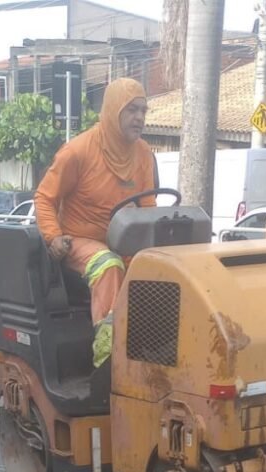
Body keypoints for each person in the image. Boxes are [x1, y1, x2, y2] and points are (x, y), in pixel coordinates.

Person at [34, 77, 155, 368]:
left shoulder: (144, 154)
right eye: (131, 110)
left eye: (143, 110)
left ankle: (150, 348)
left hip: (123, 240)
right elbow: (44, 198)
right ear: (113, 110)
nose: (139, 117)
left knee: (157, 267)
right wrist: (53, 237)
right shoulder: (78, 151)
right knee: (109, 264)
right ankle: (107, 356)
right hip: (80, 241)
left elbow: (148, 207)